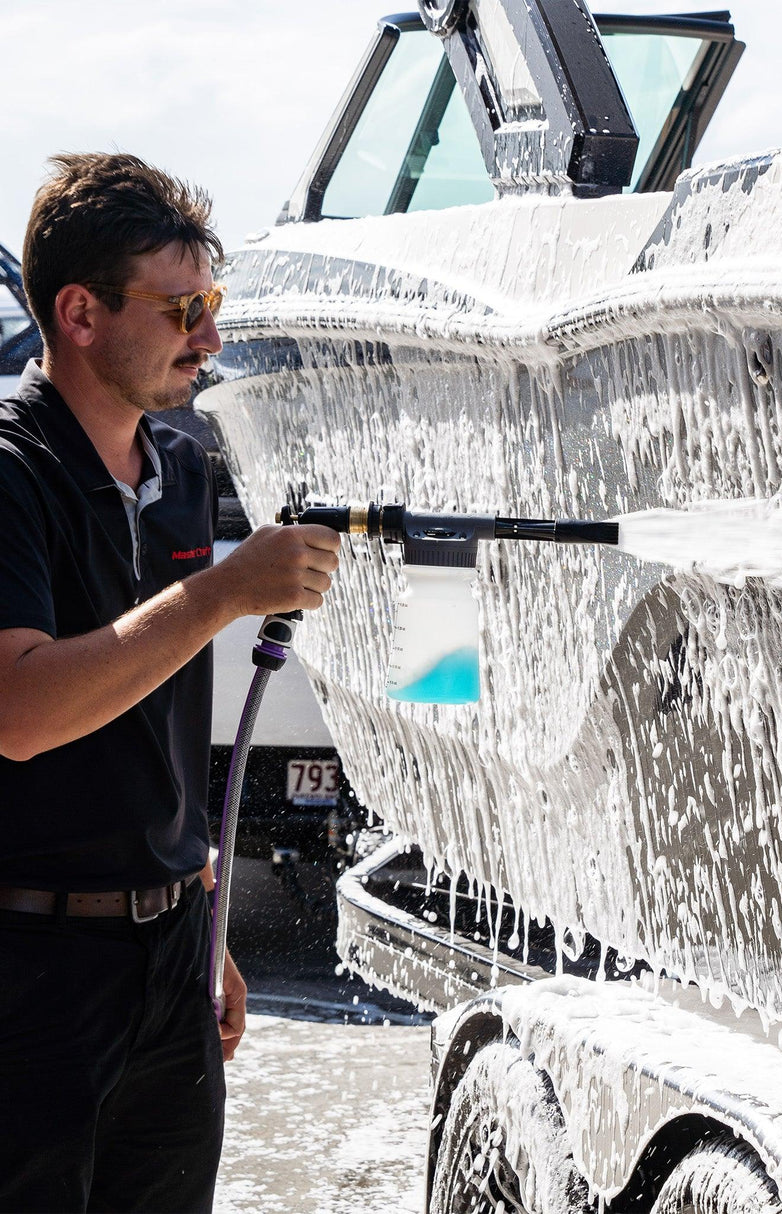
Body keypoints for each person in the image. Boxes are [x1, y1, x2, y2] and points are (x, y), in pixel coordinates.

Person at [0, 152, 341, 1212]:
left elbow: (162, 725)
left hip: (168, 959)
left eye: (214, 302)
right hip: (27, 973)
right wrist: (220, 593)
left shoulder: (180, 469)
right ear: (80, 312)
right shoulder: (11, 473)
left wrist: (205, 915)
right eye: (184, 307)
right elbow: (21, 710)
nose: (212, 337)